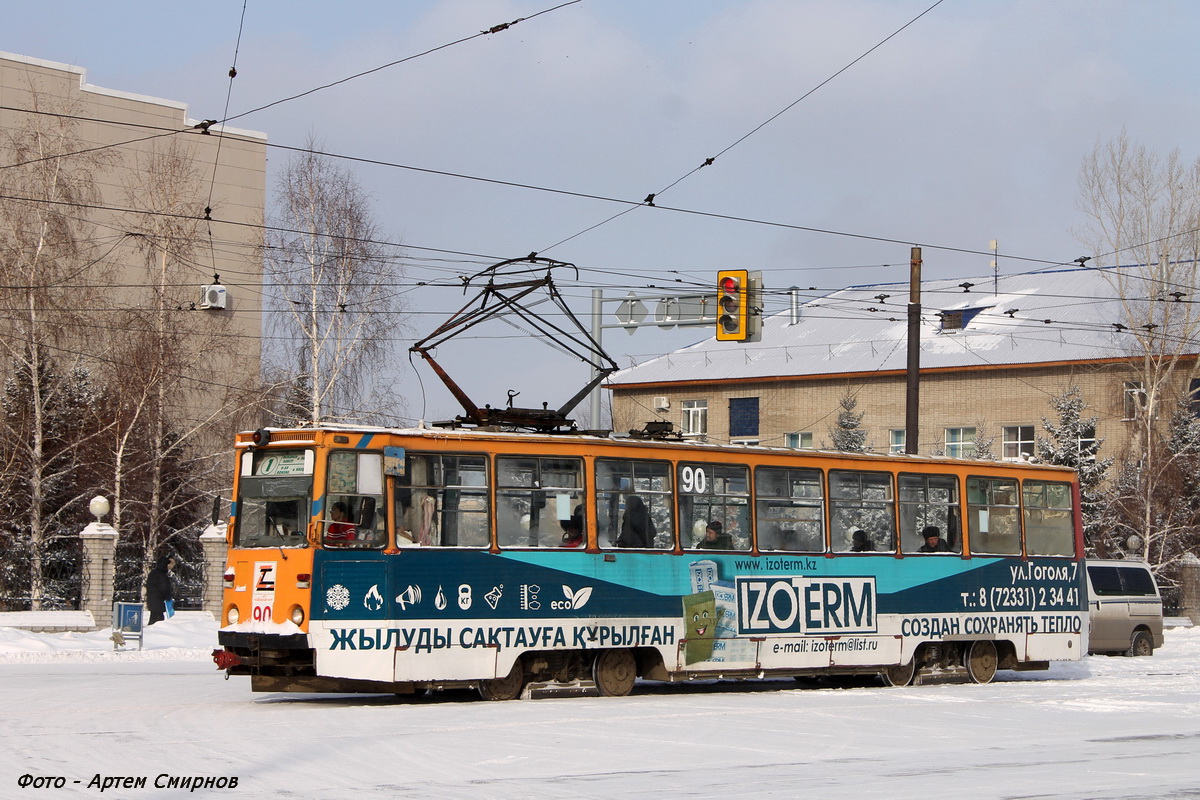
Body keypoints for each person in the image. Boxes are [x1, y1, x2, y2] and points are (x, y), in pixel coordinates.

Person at [145, 554, 176, 625]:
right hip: (158, 601)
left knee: (153, 619)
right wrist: (168, 597)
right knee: (158, 622)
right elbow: (164, 588)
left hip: (152, 600)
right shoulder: (162, 576)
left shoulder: (153, 573)